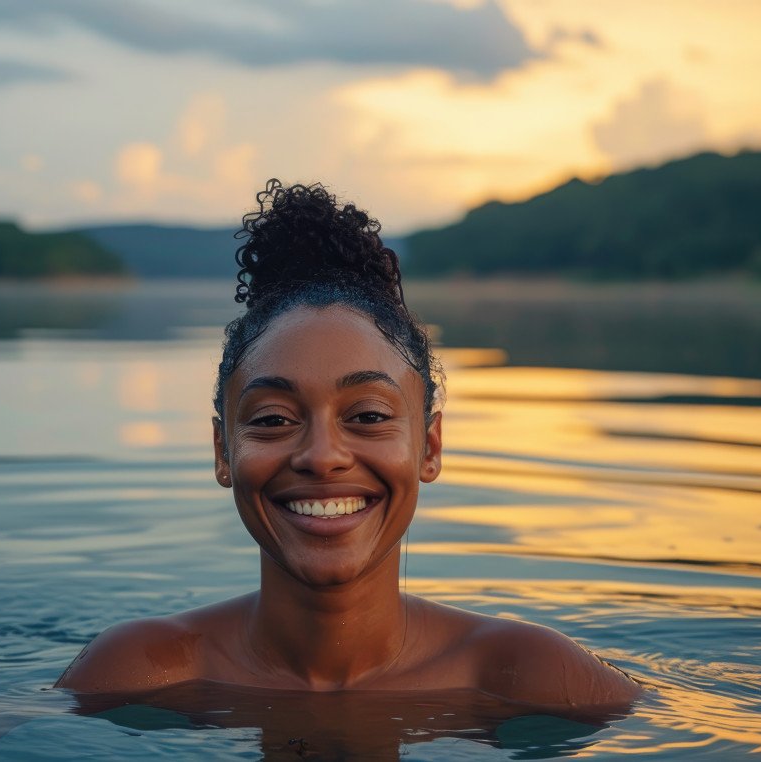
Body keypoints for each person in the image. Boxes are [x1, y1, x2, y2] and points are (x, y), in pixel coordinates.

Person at [57, 180, 641, 709]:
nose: (322, 455)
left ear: (430, 446)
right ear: (222, 452)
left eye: (366, 415)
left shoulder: (529, 674)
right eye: (272, 419)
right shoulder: (141, 671)